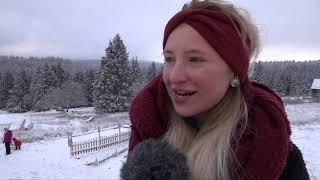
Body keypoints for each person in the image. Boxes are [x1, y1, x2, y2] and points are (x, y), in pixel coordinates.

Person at [128, 0, 310, 180]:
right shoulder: (149, 132)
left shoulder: (277, 156)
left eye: (195, 59)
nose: (174, 76)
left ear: (234, 71)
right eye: (169, 59)